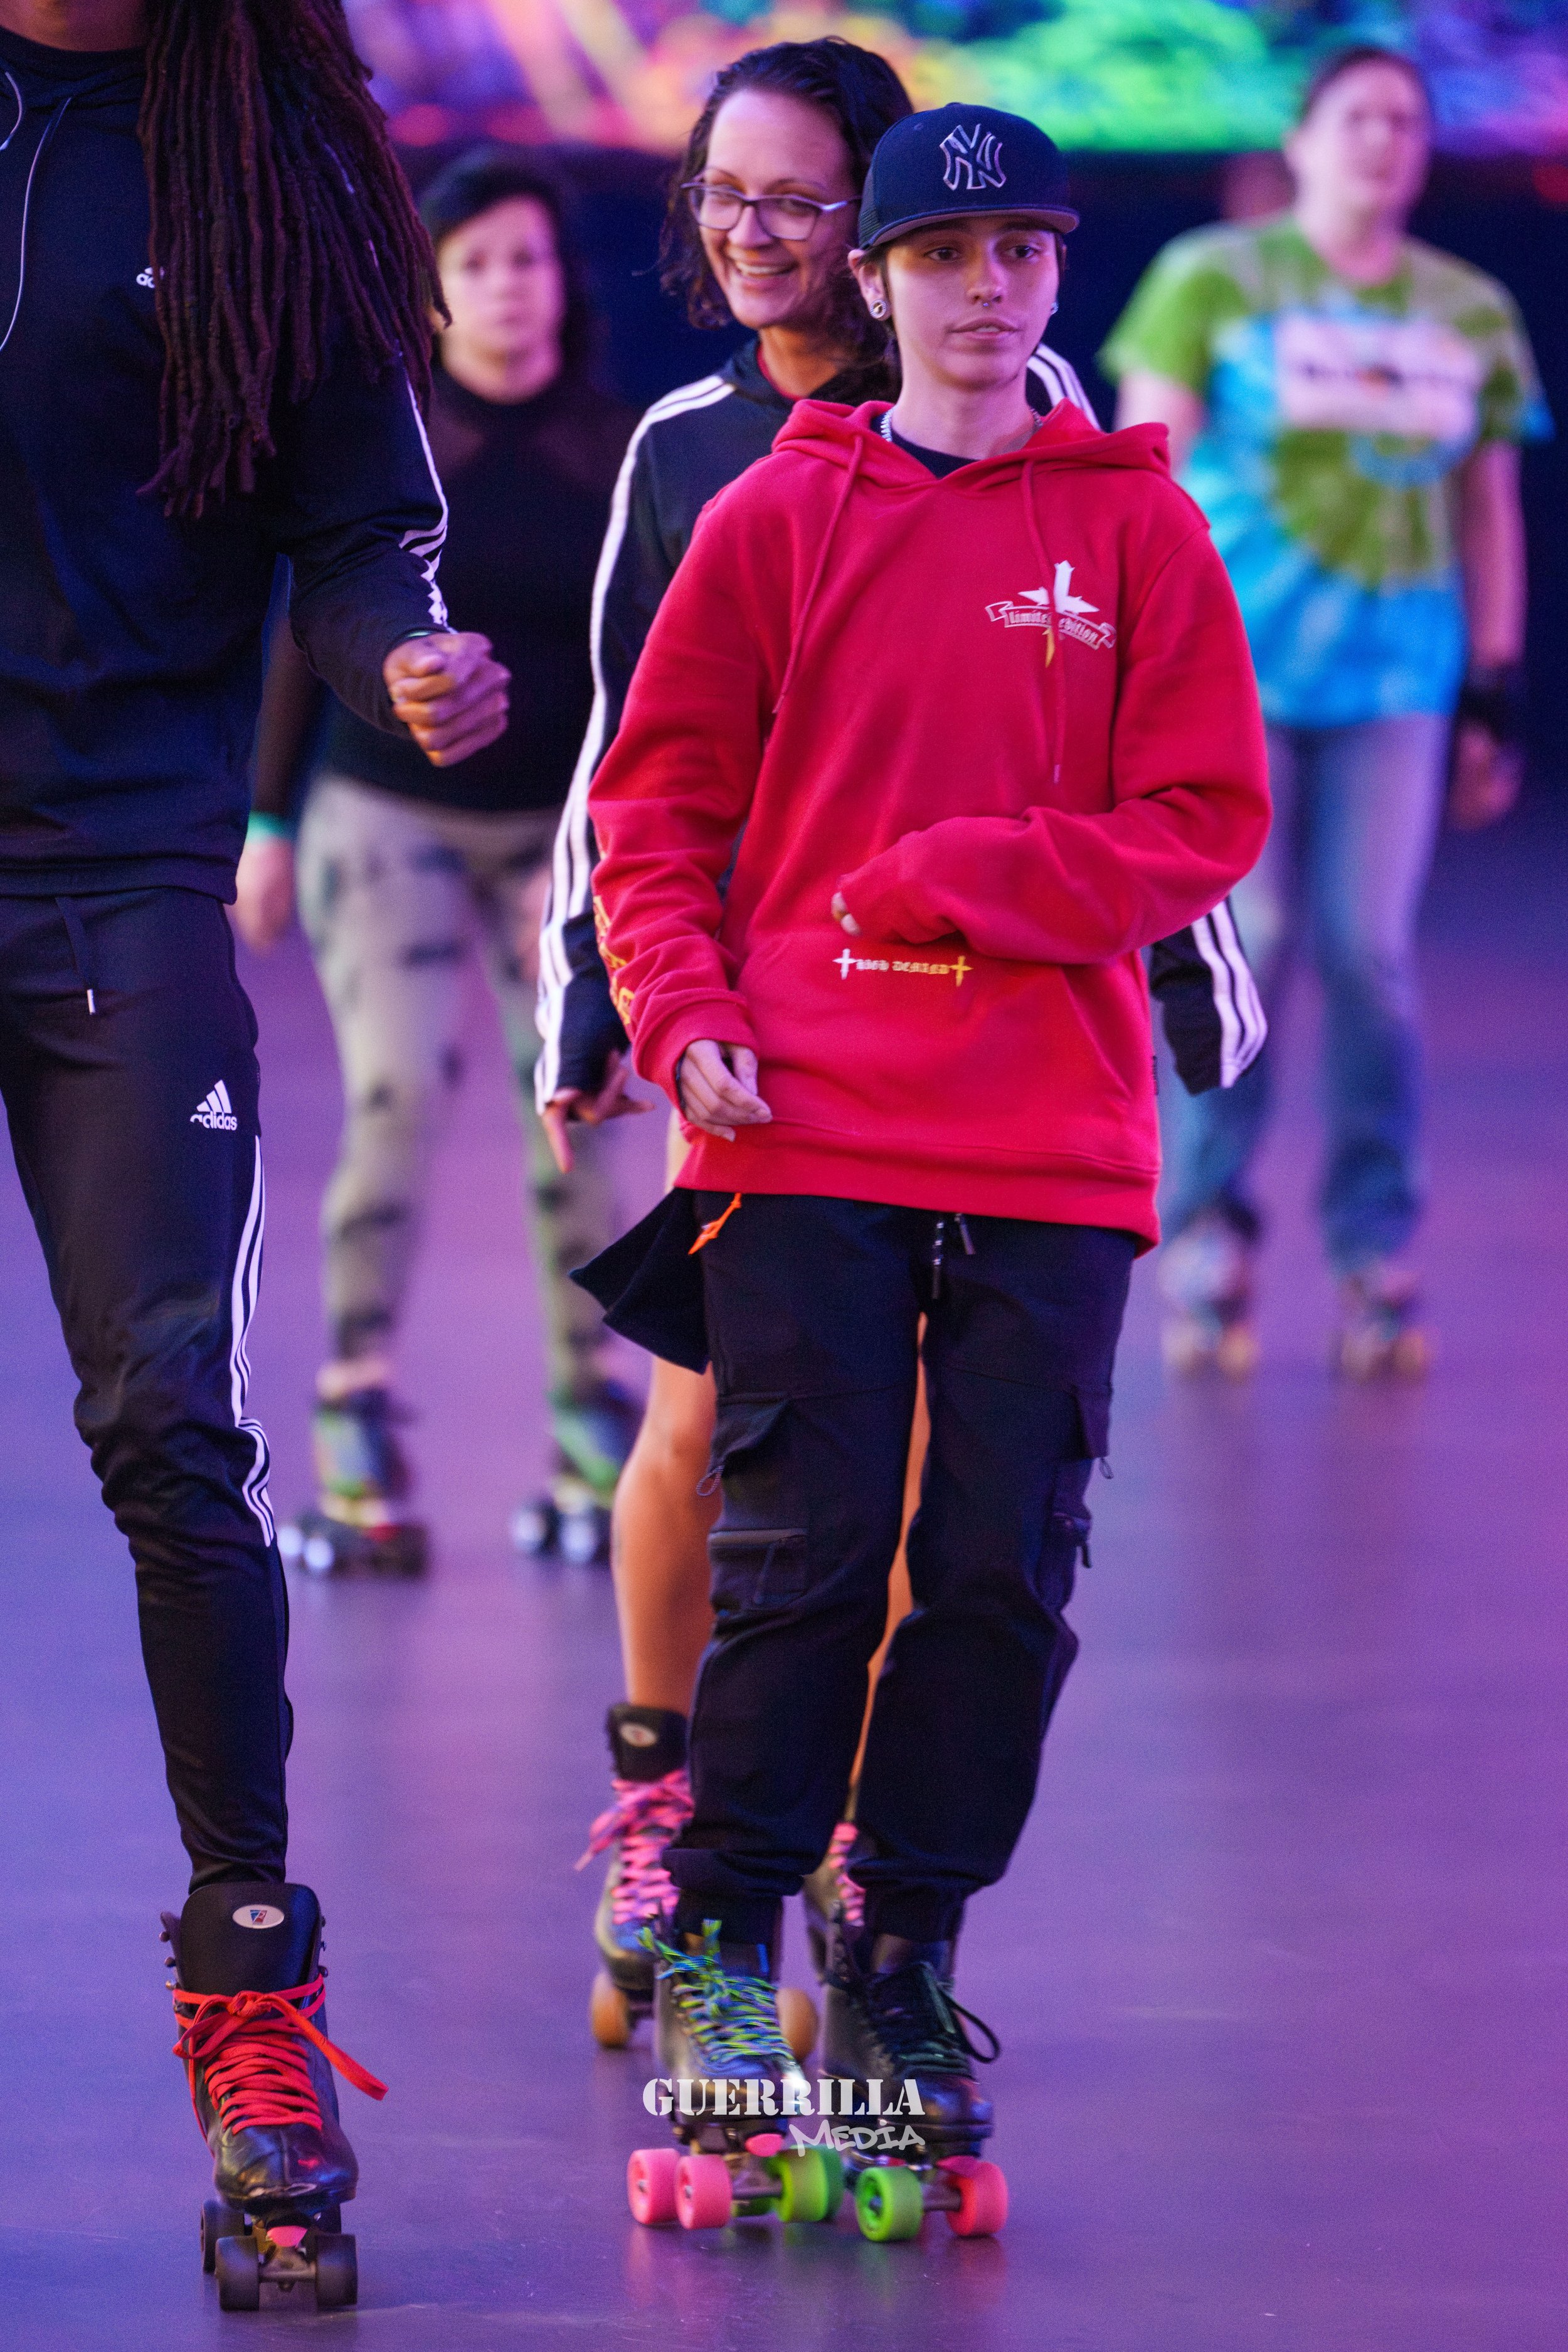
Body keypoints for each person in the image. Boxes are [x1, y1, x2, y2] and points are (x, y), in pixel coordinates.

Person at [585, 102, 1270, 2232]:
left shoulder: (1137, 533)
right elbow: (660, 798)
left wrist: (987, 878)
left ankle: (897, 1967)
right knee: (804, 1560)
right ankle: (718, 1958)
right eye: (943, 254)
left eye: (1024, 251)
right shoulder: (778, 521)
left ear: (1058, 277)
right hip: (800, 1114)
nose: (988, 285)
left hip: (1055, 1134)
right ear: (872, 286)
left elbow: (1204, 813)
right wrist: (679, 1002)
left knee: (994, 1574)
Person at [0, 0, 507, 2274]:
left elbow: (366, 527)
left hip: (119, 875)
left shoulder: (259, 163)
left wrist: (413, 654)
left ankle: (255, 1998)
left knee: (171, 1441)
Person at [1103, 44, 1547, 1378]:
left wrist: (1492, 683)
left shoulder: (1465, 308)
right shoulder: (1210, 280)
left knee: (1365, 955)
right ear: (1299, 140)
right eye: (1355, 116)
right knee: (1249, 944)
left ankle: (1370, 1250)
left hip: (1392, 683)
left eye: (1405, 121)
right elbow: (1142, 475)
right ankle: (1206, 1235)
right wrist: (1120, 666)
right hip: (1226, 686)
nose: (1381, 140)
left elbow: (1484, 505)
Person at [235, 149, 636, 1574]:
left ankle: (590, 1405)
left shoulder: (618, 449)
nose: (507, 291)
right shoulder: (386, 444)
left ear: (561, 284)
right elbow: (307, 625)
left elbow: (648, 674)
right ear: (431, 290)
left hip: (559, 835)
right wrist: (267, 825)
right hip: (382, 816)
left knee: (576, 1105)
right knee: (397, 1093)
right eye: (474, 265)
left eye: (528, 261)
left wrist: (625, 861)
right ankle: (353, 1410)